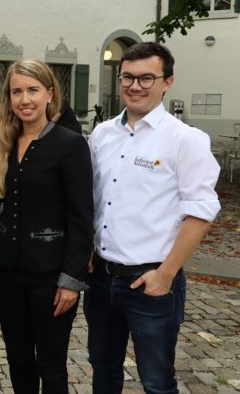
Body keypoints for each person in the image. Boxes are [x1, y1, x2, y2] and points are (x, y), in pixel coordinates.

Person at [85, 42, 221, 393]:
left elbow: (200, 213)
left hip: (152, 282)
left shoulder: (185, 139)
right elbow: (92, 199)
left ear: (167, 82)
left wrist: (165, 274)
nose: (135, 86)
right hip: (101, 280)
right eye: (127, 77)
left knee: (157, 381)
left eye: (147, 78)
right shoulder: (102, 135)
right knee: (103, 371)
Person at [0, 59, 93, 393]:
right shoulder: (3, 142)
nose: (25, 99)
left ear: (50, 94)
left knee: (51, 364)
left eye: (32, 90)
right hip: (8, 273)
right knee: (18, 359)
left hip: (51, 277)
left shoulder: (70, 144)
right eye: (17, 92)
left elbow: (82, 217)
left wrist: (71, 279)